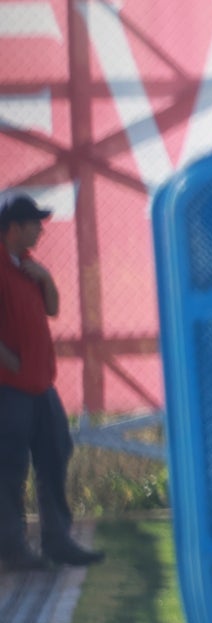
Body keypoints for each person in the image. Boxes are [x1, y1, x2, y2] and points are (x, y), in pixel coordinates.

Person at [0, 193, 105, 570]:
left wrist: (45, 277)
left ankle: (57, 541)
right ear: (13, 227)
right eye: (34, 223)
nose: (41, 229)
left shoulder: (27, 265)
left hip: (40, 384)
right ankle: (11, 549)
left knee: (56, 452)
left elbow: (53, 308)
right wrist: (10, 361)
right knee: (9, 468)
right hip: (9, 387)